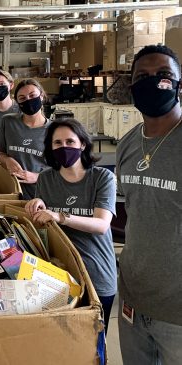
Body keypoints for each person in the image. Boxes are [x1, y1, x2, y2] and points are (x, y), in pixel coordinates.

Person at [116, 44, 182, 365]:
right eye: (143, 76)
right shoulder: (128, 144)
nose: (154, 81)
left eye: (164, 75)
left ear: (179, 84)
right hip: (133, 299)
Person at [25, 118, 117, 334]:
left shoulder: (103, 178)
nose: (64, 147)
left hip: (96, 275)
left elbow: (102, 224)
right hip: (60, 277)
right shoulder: (46, 178)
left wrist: (60, 216)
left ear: (82, 144)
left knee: (94, 345)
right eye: (57, 143)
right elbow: (45, 224)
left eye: (70, 141)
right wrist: (37, 205)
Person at [0, 79, 50, 200]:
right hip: (11, 190)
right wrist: (7, 160)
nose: (28, 100)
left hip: (40, 194)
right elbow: (0, 152)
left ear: (41, 96)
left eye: (32, 95)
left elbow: (63, 169)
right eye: (22, 98)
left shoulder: (54, 130)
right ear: (18, 102)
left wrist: (37, 177)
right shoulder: (8, 122)